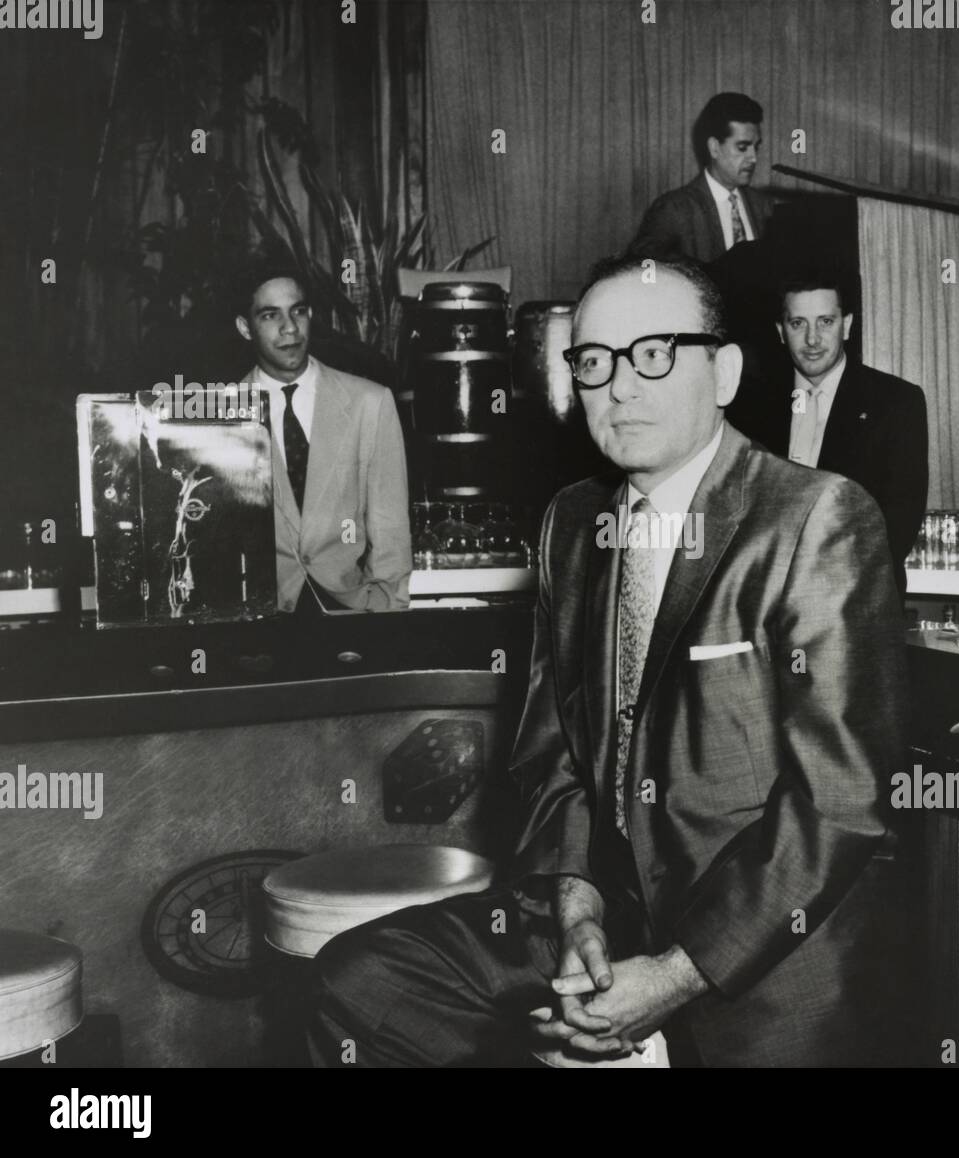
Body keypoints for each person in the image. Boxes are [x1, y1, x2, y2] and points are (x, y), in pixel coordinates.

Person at [307, 257, 905, 1067]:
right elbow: (556, 757)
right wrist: (578, 913)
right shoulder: (574, 523)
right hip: (610, 913)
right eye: (593, 362)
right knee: (360, 980)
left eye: (653, 352)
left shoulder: (815, 518)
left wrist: (672, 977)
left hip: (758, 948)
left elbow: (838, 806)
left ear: (723, 371)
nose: (619, 386)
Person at [732, 275, 928, 598]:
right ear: (781, 331)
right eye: (798, 323)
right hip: (768, 608)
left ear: (846, 325)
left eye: (825, 321)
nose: (812, 339)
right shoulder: (751, 408)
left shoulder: (895, 403)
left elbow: (898, 524)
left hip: (857, 603)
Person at [235, 267, 412, 614]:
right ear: (245, 328)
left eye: (298, 311)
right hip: (258, 624)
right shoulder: (218, 415)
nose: (290, 328)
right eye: (270, 315)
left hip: (352, 613)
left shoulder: (370, 402)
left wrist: (386, 615)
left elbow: (390, 530)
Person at [627, 92, 774, 264]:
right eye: (742, 147)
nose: (753, 158)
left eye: (756, 147)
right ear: (714, 148)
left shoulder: (764, 206)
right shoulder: (674, 210)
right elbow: (642, 269)